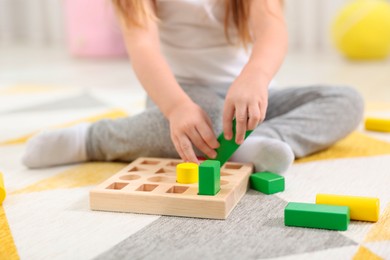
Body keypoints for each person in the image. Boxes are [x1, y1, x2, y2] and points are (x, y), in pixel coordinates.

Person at [22, 0, 364, 173]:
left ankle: (264, 140)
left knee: (346, 100)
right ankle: (92, 140)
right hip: (183, 95)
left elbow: (272, 30)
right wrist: (175, 107)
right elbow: (142, 46)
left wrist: (256, 76)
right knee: (207, 128)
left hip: (251, 96)